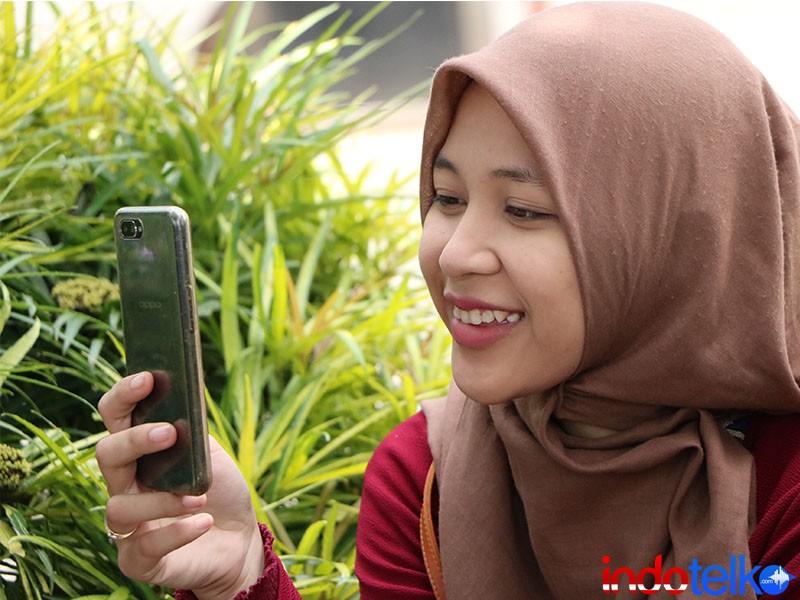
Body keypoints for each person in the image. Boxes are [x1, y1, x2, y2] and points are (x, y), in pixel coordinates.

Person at [96, 2, 800, 598]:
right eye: (449, 197)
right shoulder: (428, 479)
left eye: (523, 209)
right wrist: (240, 576)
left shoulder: (783, 483)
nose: (456, 252)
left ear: (680, 236)